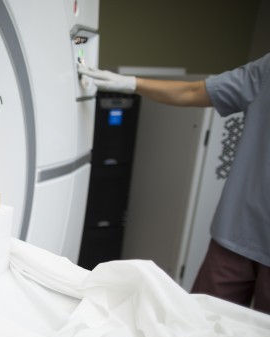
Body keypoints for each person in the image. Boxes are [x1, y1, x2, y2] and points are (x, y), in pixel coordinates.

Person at [78, 53, 270, 315]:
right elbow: (193, 91)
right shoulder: (266, 69)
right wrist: (130, 84)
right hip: (236, 231)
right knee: (199, 324)